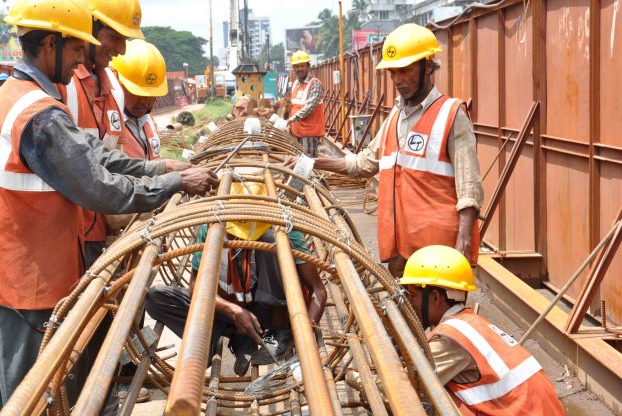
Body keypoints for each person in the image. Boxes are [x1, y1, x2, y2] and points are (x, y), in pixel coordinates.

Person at [0, 0, 219, 415]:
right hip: (26, 281)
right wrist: (173, 186)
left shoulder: (18, 96)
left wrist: (162, 168)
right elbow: (98, 188)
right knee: (33, 398)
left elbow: (93, 152)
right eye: (77, 47)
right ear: (50, 45)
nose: (84, 56)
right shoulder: (39, 116)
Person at [291, 24, 483, 276]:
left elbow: (469, 189)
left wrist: (463, 245)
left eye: (405, 70)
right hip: (400, 249)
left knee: (438, 316)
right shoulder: (396, 115)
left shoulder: (451, 114)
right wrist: (311, 162)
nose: (398, 80)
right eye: (393, 72)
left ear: (427, 66)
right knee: (405, 315)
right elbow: (362, 164)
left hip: (439, 251)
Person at [56, 0, 191, 269]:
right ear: (88, 26)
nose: (120, 50)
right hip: (68, 233)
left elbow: (108, 156)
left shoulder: (113, 89)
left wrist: (160, 173)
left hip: (107, 224)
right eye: (115, 37)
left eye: (125, 40)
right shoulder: (62, 86)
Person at [145, 181, 327, 376]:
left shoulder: (282, 228)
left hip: (269, 312)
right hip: (230, 308)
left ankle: (280, 333)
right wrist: (233, 311)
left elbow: (319, 290)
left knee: (273, 243)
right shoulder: (214, 227)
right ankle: (237, 335)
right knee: (156, 298)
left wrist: (304, 335)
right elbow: (195, 285)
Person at [398, 245, 566, 415]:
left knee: (434, 399)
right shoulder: (470, 323)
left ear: (435, 297)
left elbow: (405, 389)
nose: (410, 302)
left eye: (413, 295)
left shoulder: (450, 339)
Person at [111, 39, 166, 160]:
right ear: (118, 83)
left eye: (151, 94)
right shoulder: (110, 123)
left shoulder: (147, 119)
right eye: (138, 93)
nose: (145, 101)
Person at [287, 50, 325, 157]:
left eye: (302, 66)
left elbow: (309, 107)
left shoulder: (315, 84)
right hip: (296, 134)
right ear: (293, 68)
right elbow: (292, 107)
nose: (299, 69)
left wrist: (291, 119)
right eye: (297, 66)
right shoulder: (295, 84)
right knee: (297, 163)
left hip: (310, 135)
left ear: (308, 66)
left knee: (308, 164)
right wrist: (289, 125)